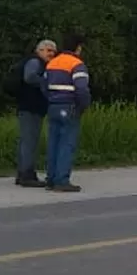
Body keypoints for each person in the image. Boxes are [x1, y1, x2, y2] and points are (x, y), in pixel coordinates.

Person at [41, 34, 91, 193]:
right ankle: (62, 180)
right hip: (69, 106)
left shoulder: (52, 63)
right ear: (78, 48)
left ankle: (51, 179)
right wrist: (83, 106)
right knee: (66, 144)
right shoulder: (77, 64)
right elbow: (82, 89)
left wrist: (52, 99)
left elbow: (44, 86)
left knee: (53, 143)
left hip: (53, 106)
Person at [11, 39, 57, 187]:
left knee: (27, 141)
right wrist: (46, 83)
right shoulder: (35, 62)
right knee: (30, 141)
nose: (51, 53)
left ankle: (23, 173)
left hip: (30, 107)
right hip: (30, 107)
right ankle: (27, 175)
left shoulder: (36, 62)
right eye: (48, 50)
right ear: (39, 50)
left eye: (53, 51)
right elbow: (29, 77)